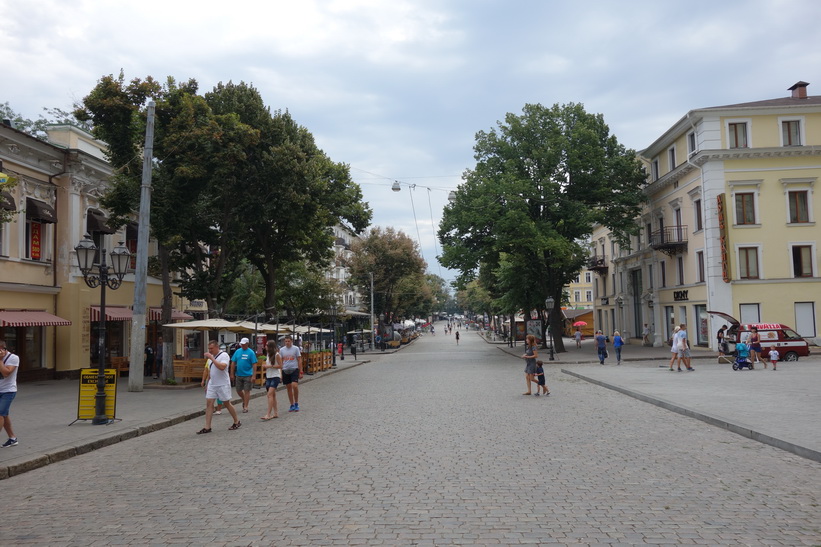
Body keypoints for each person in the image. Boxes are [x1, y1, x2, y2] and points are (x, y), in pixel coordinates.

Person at [198, 340, 241, 434]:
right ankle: (207, 426)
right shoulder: (210, 357)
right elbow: (210, 370)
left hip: (222, 384)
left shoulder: (224, 355)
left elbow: (222, 367)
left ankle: (236, 421)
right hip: (212, 384)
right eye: (209, 349)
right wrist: (207, 382)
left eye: (211, 348)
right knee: (209, 403)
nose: (210, 350)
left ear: (217, 347)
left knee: (226, 403)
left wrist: (212, 359)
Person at [0, 341, 20, 447]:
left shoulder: (13, 358)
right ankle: (12, 438)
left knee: (0, 414)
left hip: (8, 391)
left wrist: (0, 360)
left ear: (3, 349)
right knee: (4, 415)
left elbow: (6, 373)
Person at [230, 337, 258, 413]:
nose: (242, 345)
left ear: (247, 344)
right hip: (239, 374)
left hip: (248, 374)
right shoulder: (237, 351)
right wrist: (231, 373)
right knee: (238, 390)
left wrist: (254, 375)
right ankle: (244, 399)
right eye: (241, 344)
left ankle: (245, 406)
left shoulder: (251, 352)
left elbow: (254, 364)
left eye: (244, 344)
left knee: (247, 390)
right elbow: (233, 362)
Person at [279, 335, 303, 412]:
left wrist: (301, 371)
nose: (287, 343)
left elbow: (299, 360)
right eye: (286, 341)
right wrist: (280, 373)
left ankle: (296, 402)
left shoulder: (295, 349)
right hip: (285, 369)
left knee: (294, 385)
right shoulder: (282, 350)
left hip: (294, 369)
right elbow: (281, 361)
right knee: (288, 387)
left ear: (291, 341)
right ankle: (291, 404)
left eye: (288, 341)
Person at [261, 339, 282, 420]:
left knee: (269, 395)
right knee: (273, 395)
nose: (265, 346)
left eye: (267, 345)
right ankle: (275, 412)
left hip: (275, 376)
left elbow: (280, 366)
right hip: (269, 376)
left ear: (270, 347)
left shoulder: (277, 355)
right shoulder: (268, 354)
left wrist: (269, 366)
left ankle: (268, 414)